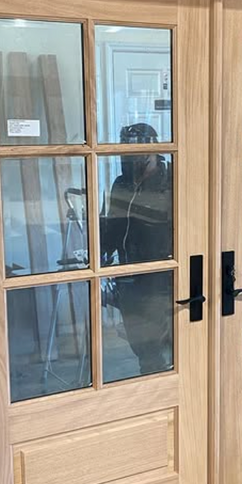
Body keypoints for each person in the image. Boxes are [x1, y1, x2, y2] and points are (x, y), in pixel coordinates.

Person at [102, 123, 173, 375]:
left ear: (153, 148)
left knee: (157, 339)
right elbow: (113, 223)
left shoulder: (170, 181)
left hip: (159, 272)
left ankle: (163, 389)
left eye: (137, 149)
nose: (132, 157)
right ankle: (150, 379)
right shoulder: (121, 183)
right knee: (138, 339)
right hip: (128, 272)